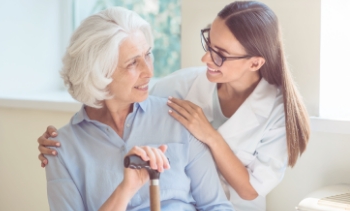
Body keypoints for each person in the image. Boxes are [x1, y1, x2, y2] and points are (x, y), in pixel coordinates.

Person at [38, 1, 310, 211]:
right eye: (134, 62)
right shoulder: (177, 92)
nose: (148, 71)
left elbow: (245, 192)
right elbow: (109, 103)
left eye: (220, 55)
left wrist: (210, 135)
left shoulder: (184, 117)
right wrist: (63, 141)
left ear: (254, 63)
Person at [44, 6, 234, 211]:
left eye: (148, 55)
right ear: (99, 73)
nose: (149, 71)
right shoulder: (62, 148)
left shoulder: (179, 118)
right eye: (133, 63)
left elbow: (217, 206)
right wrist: (126, 189)